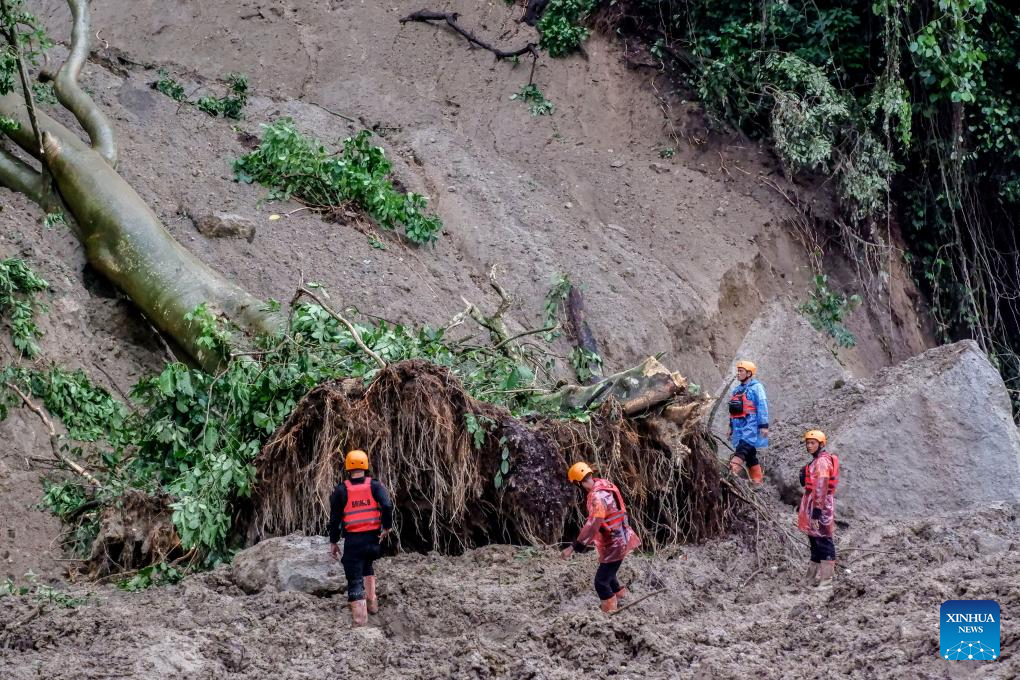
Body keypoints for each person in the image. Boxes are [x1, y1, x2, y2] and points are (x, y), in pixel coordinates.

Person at [560, 462, 641, 613]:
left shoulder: (596, 498)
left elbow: (592, 525)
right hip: (622, 537)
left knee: (601, 582)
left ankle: (609, 613)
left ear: (578, 482)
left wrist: (573, 547)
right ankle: (623, 600)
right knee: (610, 576)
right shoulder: (605, 484)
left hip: (614, 543)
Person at [327, 449, 394, 626]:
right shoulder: (375, 485)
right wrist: (386, 527)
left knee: (354, 579)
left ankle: (360, 623)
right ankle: (372, 606)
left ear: (348, 467)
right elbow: (387, 505)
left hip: (353, 542)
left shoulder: (341, 490)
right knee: (367, 566)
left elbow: (334, 520)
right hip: (373, 542)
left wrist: (333, 542)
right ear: (365, 465)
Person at [797, 430, 839, 590]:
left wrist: (816, 513)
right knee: (814, 541)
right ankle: (811, 578)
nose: (809, 446)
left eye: (812, 443)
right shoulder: (816, 461)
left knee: (823, 541)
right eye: (807, 443)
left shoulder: (822, 462)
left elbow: (820, 488)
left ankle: (826, 581)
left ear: (821, 444)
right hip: (813, 505)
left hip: (820, 508)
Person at [728, 359, 769, 486]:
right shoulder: (736, 390)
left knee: (742, 451)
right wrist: (730, 427)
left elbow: (762, 405)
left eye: (741, 371)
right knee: (750, 455)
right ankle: (758, 482)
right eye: (738, 371)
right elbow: (732, 410)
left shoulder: (757, 387)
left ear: (749, 373)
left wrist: (763, 425)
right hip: (738, 427)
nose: (738, 373)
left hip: (750, 426)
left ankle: (731, 474)